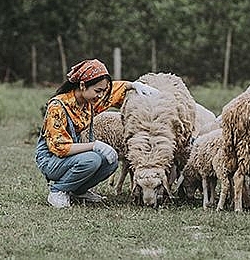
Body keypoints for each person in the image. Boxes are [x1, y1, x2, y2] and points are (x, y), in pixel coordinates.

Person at [35, 58, 159, 208]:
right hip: (52, 159)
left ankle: (78, 191)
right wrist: (94, 145)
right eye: (98, 91)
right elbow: (60, 147)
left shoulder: (89, 103)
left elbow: (113, 92)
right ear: (82, 85)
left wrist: (133, 85)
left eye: (102, 91)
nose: (100, 95)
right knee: (92, 159)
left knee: (110, 161)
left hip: (71, 156)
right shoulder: (58, 106)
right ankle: (58, 191)